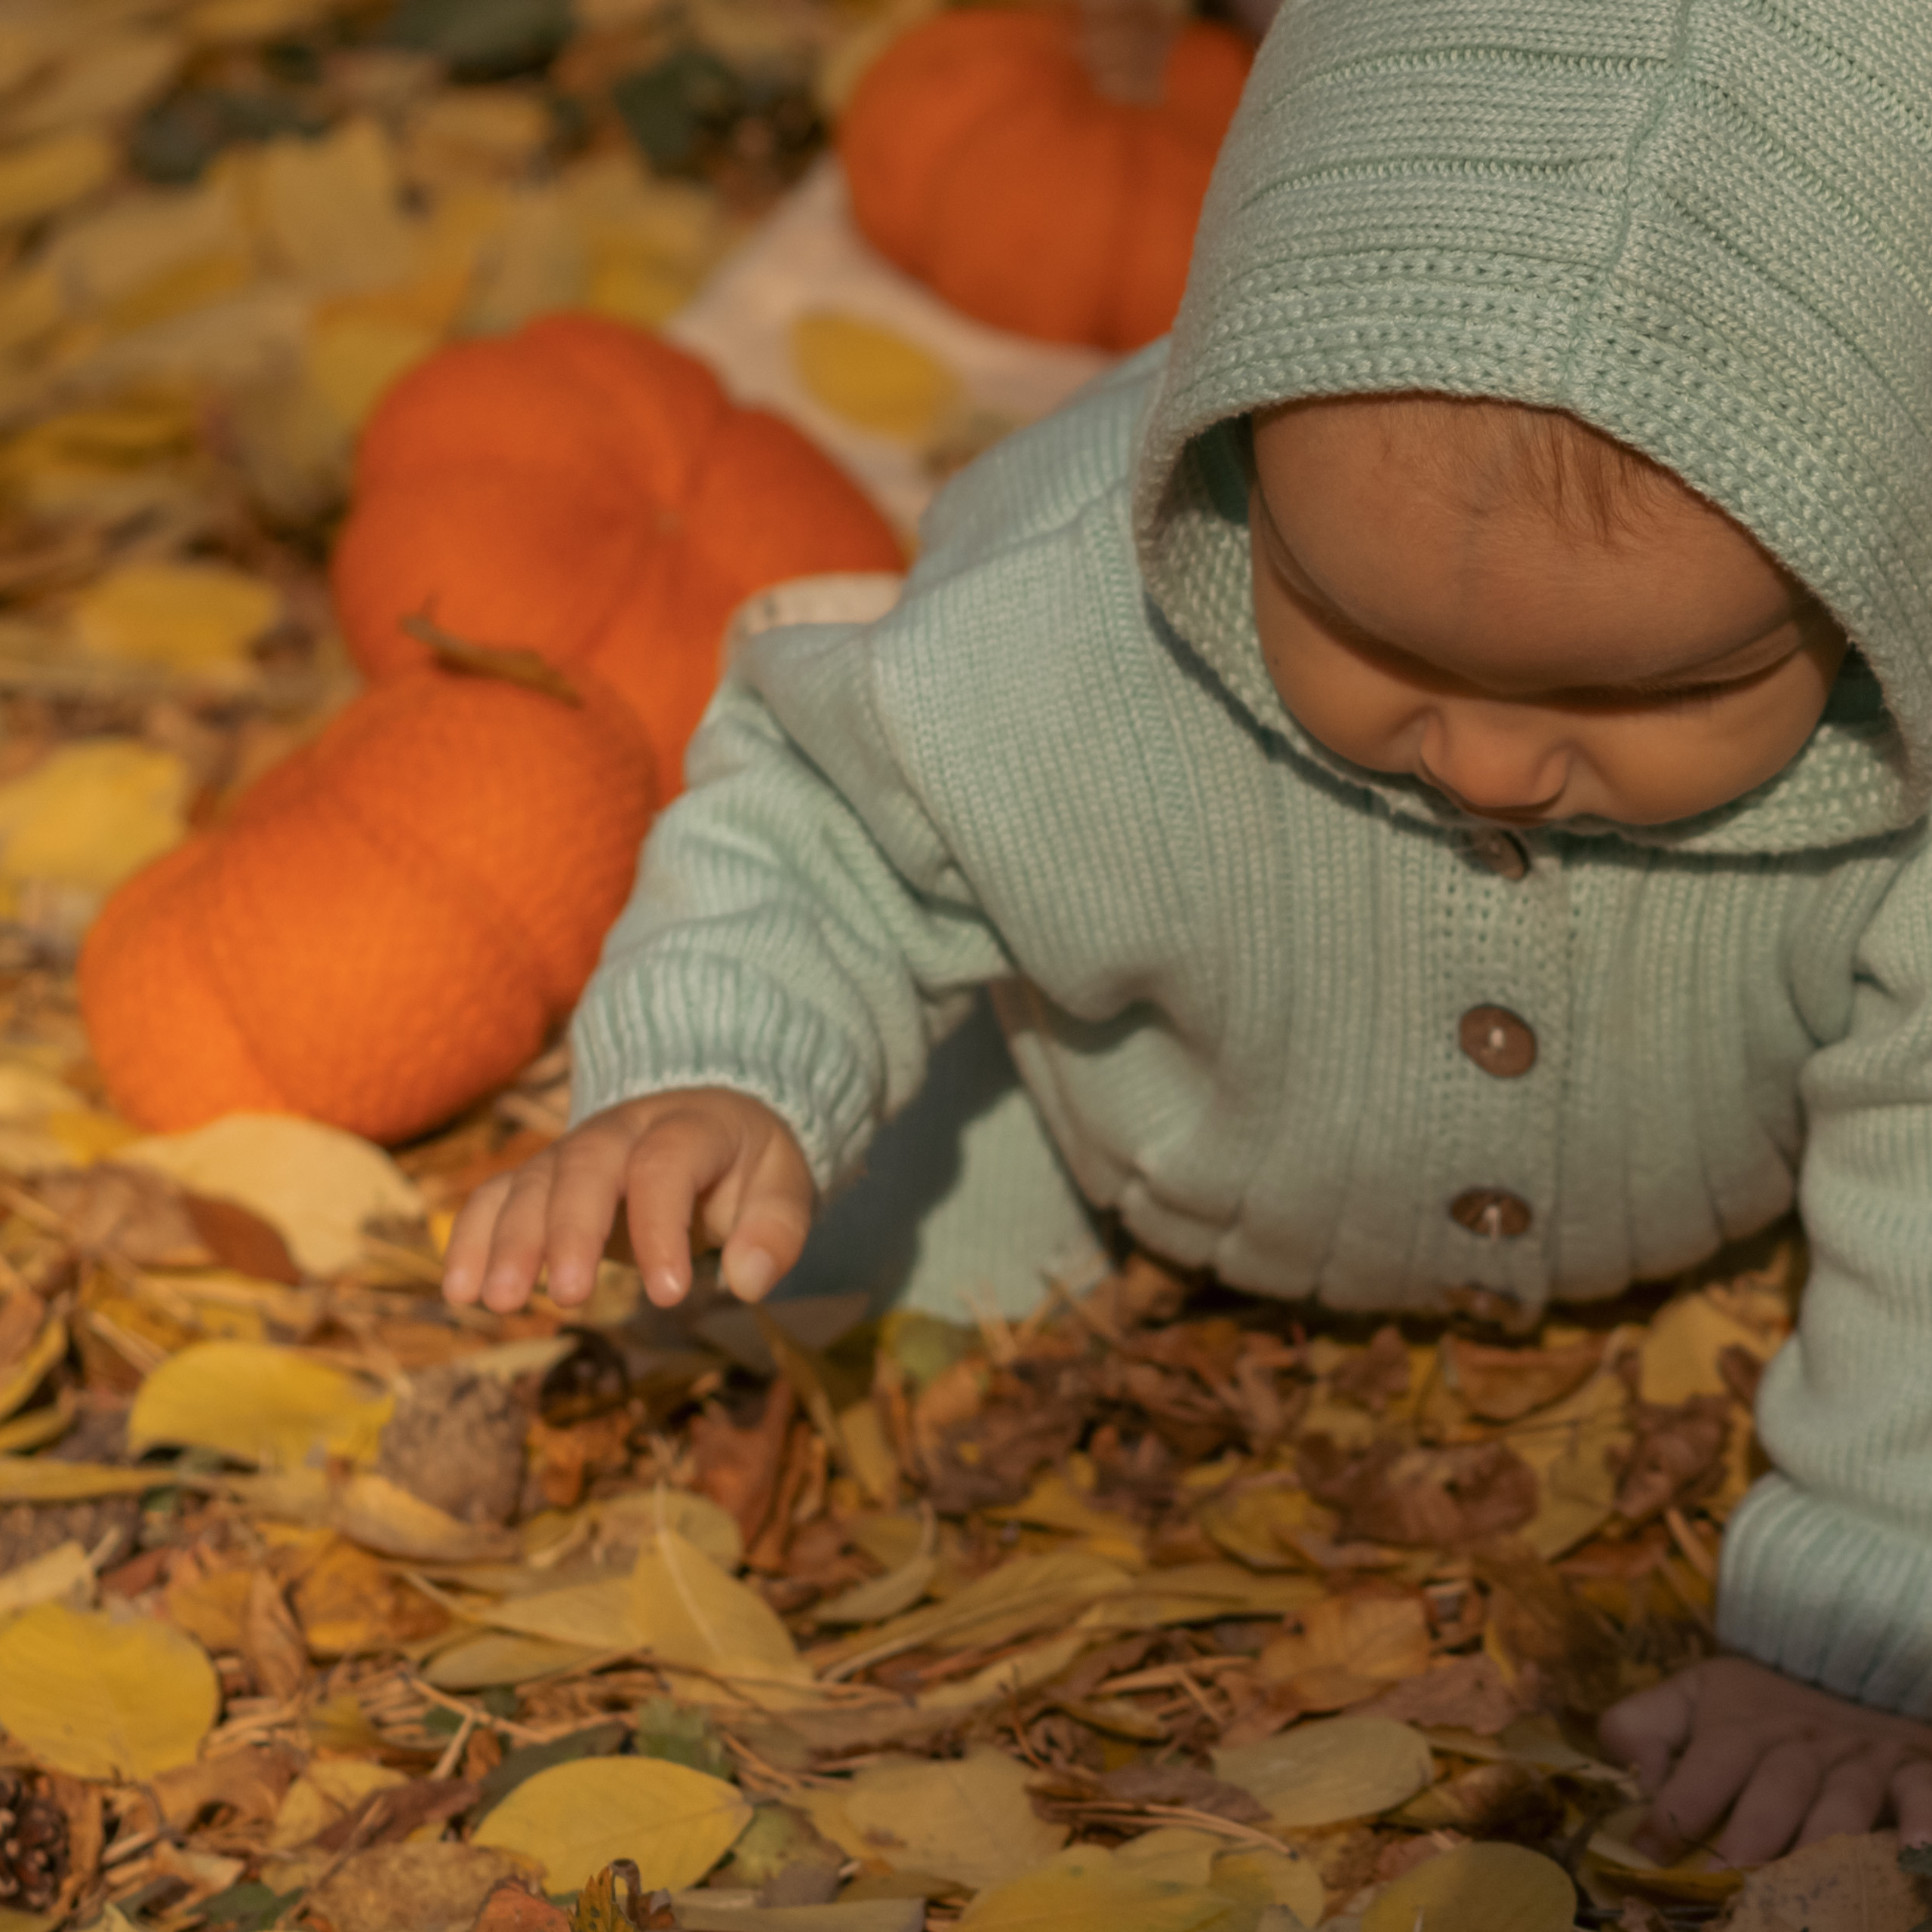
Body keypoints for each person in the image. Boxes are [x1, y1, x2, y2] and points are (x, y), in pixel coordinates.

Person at [443, 0, 1932, 1870]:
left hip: (1724, 1187)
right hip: (1124, 1137)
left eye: (1660, 687)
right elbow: (825, 811)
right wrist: (716, 1066)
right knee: (785, 1283)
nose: (1478, 756)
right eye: (1359, 626)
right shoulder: (1081, 620)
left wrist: (1872, 1619)